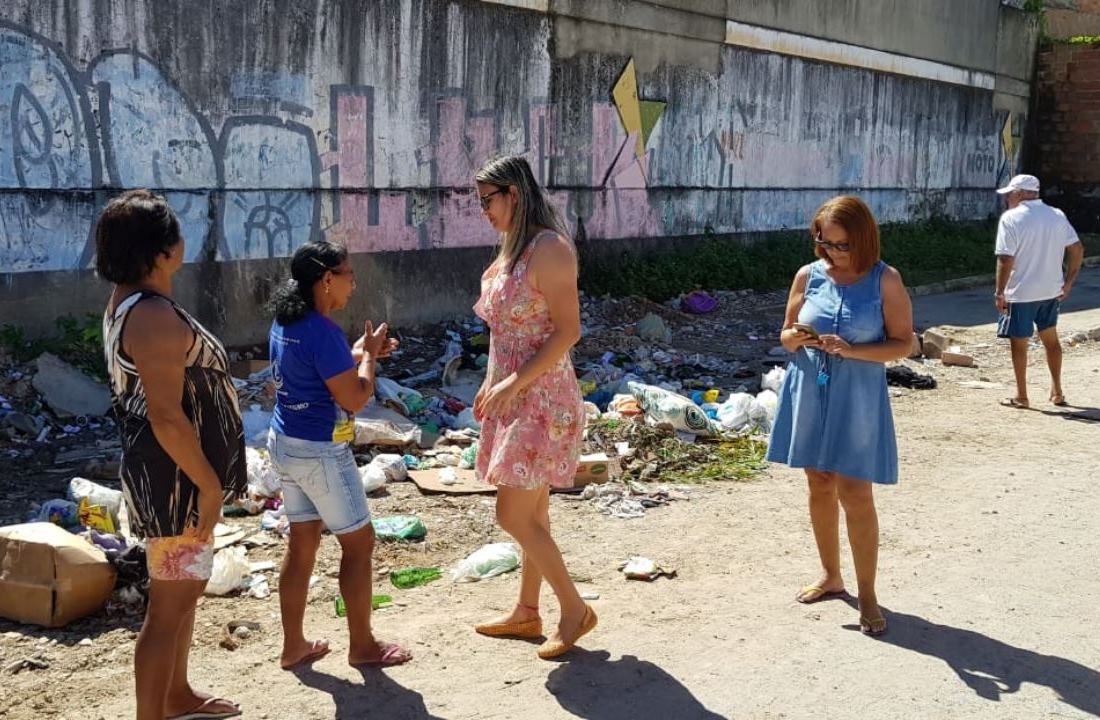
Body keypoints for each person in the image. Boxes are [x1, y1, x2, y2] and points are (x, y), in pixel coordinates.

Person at [98, 190, 247, 720]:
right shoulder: (151, 316)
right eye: (177, 234)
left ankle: (177, 695)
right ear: (160, 253)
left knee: (183, 594)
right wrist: (208, 486)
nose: (185, 241)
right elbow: (166, 416)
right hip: (177, 480)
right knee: (167, 610)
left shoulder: (132, 304)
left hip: (174, 474)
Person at [766, 196, 914, 636]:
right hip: (810, 388)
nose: (832, 251)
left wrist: (853, 351)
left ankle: (867, 593)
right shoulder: (807, 276)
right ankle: (832, 576)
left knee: (855, 491)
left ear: (863, 238)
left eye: (841, 244)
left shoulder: (885, 280)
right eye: (824, 241)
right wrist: (797, 338)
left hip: (858, 395)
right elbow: (786, 335)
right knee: (818, 481)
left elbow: (904, 343)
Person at [470, 156, 597, 659]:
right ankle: (527, 612)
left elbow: (568, 331)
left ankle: (574, 609)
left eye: (488, 200)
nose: (483, 210)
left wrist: (514, 383)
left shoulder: (549, 248)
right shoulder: (512, 251)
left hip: (542, 400)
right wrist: (490, 383)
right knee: (534, 512)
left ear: (514, 195)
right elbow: (503, 333)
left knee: (513, 514)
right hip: (514, 395)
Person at [266, 241, 411, 669]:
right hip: (320, 451)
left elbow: (315, 368)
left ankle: (294, 645)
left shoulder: (288, 322)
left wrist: (359, 354)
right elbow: (354, 397)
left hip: (285, 443)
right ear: (326, 279)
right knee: (359, 543)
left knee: (303, 541)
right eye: (348, 273)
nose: (354, 282)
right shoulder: (323, 331)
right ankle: (362, 645)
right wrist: (368, 359)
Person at [993, 174, 1084, 409]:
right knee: (1051, 340)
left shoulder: (1011, 219)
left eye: (1010, 194)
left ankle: (1022, 395)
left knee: (1019, 343)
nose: (1008, 199)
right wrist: (1069, 281)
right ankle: (1057, 391)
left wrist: (999, 292)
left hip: (1021, 291)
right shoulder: (1056, 215)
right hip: (1051, 290)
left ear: (1021, 193)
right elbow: (1077, 249)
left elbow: (1005, 259)